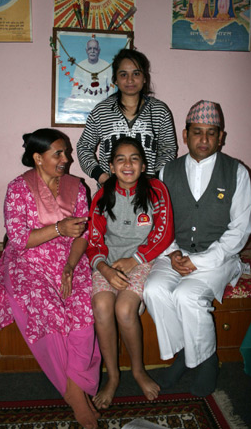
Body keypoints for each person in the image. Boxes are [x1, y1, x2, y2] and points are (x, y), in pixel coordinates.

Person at [0, 128, 101, 429]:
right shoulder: (18, 188)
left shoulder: (77, 187)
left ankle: (77, 382)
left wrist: (69, 267)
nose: (67, 159)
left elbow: (82, 234)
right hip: (28, 261)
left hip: (68, 259)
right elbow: (18, 239)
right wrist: (58, 229)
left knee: (83, 312)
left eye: (67, 151)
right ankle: (75, 396)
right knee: (47, 311)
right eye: (59, 153)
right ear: (38, 158)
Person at [143, 100, 251, 397]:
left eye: (211, 133)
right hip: (176, 252)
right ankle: (186, 355)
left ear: (221, 137)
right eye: (197, 132)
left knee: (187, 295)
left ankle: (205, 363)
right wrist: (173, 252)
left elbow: (241, 230)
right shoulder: (167, 171)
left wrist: (202, 261)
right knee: (153, 290)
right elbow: (160, 222)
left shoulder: (237, 172)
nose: (203, 139)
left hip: (220, 257)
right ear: (185, 134)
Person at [86, 137, 174, 409]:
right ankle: (112, 376)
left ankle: (138, 370)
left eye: (134, 158)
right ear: (111, 166)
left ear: (143, 164)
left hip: (142, 260)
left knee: (124, 310)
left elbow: (164, 232)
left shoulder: (156, 190)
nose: (127, 164)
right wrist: (104, 268)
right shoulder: (102, 194)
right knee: (101, 306)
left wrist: (135, 259)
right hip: (108, 262)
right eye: (120, 159)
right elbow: (94, 239)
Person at [77, 48, 177, 187]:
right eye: (123, 74)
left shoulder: (159, 111)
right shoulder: (101, 111)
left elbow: (168, 149)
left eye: (136, 73)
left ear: (144, 78)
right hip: (110, 193)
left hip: (147, 192)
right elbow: (84, 147)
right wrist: (102, 177)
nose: (130, 80)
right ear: (115, 79)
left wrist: (154, 178)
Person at [64, 38, 113, 118]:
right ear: (86, 50)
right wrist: (73, 95)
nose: (92, 51)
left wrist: (108, 99)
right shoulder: (80, 65)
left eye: (95, 49)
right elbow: (76, 85)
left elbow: (111, 86)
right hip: (84, 99)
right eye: (90, 48)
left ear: (99, 50)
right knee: (67, 103)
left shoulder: (106, 66)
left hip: (101, 99)